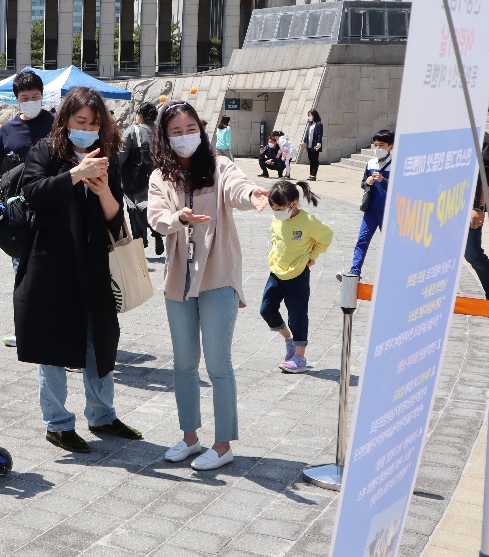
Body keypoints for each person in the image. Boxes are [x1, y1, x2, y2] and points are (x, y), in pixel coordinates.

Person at [15, 86, 142, 453]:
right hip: (50, 264)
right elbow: (35, 193)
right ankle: (57, 423)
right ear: (65, 121)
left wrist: (102, 190)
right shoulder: (45, 151)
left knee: (99, 340)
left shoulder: (107, 157)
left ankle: (102, 415)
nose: (87, 128)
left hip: (93, 264)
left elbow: (115, 218)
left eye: (93, 123)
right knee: (52, 344)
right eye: (80, 121)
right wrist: (76, 173)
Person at [148, 101, 270, 471]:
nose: (184, 137)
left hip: (218, 276)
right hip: (178, 281)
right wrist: (177, 217)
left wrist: (253, 195)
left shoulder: (218, 167)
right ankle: (189, 437)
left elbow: (237, 187)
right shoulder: (160, 177)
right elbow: (156, 218)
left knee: (218, 364)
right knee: (184, 364)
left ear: (201, 131)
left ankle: (222, 444)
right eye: (175, 131)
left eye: (190, 129)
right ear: (164, 138)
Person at [0, 70, 53, 348]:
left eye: (35, 97)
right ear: (16, 99)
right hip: (16, 214)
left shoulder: (55, 126)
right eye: (25, 97)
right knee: (21, 270)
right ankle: (27, 329)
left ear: (42, 96)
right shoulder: (7, 130)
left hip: (49, 209)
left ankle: (54, 328)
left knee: (51, 273)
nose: (30, 101)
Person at [261, 180, 332, 374]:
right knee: (266, 310)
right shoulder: (278, 219)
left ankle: (299, 357)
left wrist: (312, 256)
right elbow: (276, 237)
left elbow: (326, 236)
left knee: (297, 316)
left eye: (280, 207)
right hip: (276, 273)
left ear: (293, 203)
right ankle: (289, 340)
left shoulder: (308, 222)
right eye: (273, 208)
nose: (276, 211)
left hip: (298, 276)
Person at [347, 129, 394, 277]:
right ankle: (355, 271)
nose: (378, 148)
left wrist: (383, 180)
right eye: (375, 145)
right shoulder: (370, 163)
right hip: (371, 210)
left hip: (389, 212)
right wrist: (367, 182)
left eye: (381, 145)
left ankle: (391, 274)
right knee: (362, 240)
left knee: (389, 245)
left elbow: (400, 187)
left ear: (390, 146)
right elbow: (363, 184)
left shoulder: (397, 163)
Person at [118, 103, 158, 251]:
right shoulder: (160, 131)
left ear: (140, 115)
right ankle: (155, 230)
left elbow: (122, 155)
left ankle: (141, 239)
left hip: (135, 175)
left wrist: (117, 170)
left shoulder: (132, 130)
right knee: (152, 203)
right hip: (157, 175)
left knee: (134, 207)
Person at [467, 131, 489, 298]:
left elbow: (488, 176)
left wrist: (479, 208)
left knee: (473, 253)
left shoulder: (484, 139)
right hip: (445, 205)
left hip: (470, 207)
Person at [300, 109, 324, 181]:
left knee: (315, 159)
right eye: (309, 115)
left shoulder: (319, 124)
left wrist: (319, 143)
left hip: (315, 144)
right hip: (309, 145)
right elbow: (306, 135)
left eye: (310, 115)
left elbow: (320, 134)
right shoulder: (310, 124)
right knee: (310, 159)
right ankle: (311, 174)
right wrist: (304, 142)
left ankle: (314, 174)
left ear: (314, 115)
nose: (309, 117)